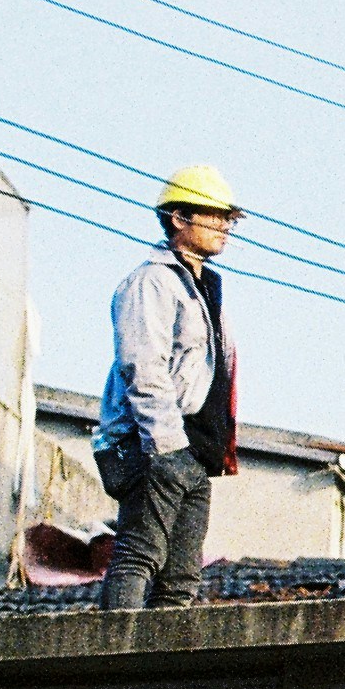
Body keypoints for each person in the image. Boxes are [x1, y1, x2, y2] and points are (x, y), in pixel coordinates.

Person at [96, 165, 243, 611]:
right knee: (139, 555)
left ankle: (159, 676)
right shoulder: (153, 281)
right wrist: (167, 445)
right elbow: (142, 367)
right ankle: (111, 662)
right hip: (157, 443)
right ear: (179, 218)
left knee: (181, 578)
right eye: (213, 216)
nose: (224, 226)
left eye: (227, 218)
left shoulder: (202, 288)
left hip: (195, 451)